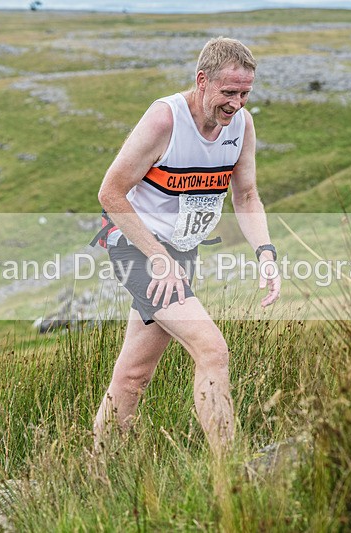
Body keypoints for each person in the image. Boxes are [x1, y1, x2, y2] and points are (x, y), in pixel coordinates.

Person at [92, 37, 281, 455]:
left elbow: (246, 195)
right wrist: (158, 259)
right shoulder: (165, 120)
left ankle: (96, 472)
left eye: (245, 93)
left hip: (182, 251)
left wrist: (265, 252)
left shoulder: (242, 126)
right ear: (202, 81)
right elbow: (110, 193)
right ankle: (229, 471)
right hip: (136, 247)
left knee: (133, 375)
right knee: (212, 348)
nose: (236, 104)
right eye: (228, 92)